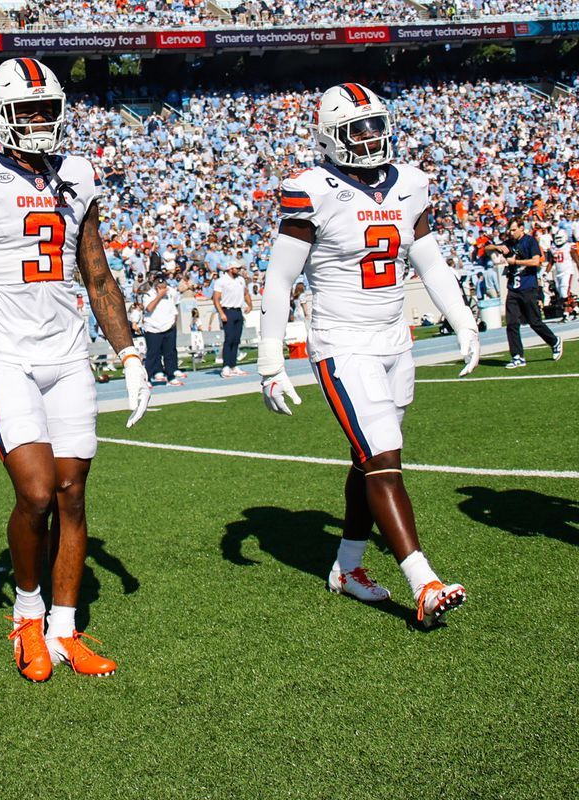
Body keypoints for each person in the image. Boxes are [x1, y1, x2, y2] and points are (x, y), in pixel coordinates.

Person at [0, 58, 150, 682]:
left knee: (73, 496)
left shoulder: (77, 173)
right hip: (3, 353)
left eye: (46, 108)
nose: (37, 120)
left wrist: (129, 353)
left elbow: (97, 271)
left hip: (68, 352)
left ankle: (65, 627)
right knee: (34, 494)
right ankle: (26, 617)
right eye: (25, 109)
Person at [256, 83, 479, 628]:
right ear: (330, 136)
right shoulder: (313, 189)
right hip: (342, 342)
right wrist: (270, 360)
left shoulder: (411, 182)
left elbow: (429, 260)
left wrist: (466, 320)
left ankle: (348, 568)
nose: (371, 137)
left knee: (370, 456)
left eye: (377, 125)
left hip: (394, 340)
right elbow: (280, 279)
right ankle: (422, 581)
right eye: (358, 128)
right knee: (384, 457)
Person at [487, 219, 563, 368]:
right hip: (513, 289)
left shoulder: (530, 242)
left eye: (514, 230)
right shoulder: (509, 243)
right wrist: (498, 247)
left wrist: (516, 262)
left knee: (534, 322)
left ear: (521, 228)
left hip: (528, 287)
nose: (511, 233)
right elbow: (487, 248)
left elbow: (536, 262)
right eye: (510, 230)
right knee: (512, 323)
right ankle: (517, 356)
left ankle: (554, 341)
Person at [212, 262, 252, 377]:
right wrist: (221, 313)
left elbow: (245, 293)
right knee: (229, 339)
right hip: (227, 310)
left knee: (236, 339)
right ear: (230, 269)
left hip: (238, 310)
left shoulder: (240, 279)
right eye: (236, 268)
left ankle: (233, 365)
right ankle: (226, 366)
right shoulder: (221, 281)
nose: (238, 270)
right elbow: (216, 299)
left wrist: (250, 305)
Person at [141, 274, 183, 385]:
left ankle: (171, 376)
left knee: (169, 354)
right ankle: (147, 378)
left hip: (168, 327)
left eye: (164, 287)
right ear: (156, 288)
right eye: (161, 287)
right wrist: (159, 296)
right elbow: (149, 308)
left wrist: (173, 322)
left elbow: (174, 310)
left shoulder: (170, 295)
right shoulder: (148, 295)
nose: (164, 289)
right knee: (152, 355)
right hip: (153, 329)